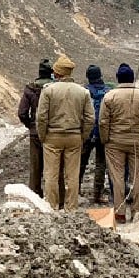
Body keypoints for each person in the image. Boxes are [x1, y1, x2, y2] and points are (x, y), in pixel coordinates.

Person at [98, 63, 139, 224]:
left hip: (115, 143)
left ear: (118, 78)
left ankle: (120, 213)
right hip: (138, 142)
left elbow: (103, 122)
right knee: (138, 177)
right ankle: (137, 211)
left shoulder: (109, 96)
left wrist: (105, 139)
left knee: (117, 178)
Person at [35, 55, 94, 211]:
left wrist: (43, 136)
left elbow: (41, 117)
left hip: (52, 137)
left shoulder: (48, 90)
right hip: (74, 136)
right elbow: (90, 118)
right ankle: (71, 207)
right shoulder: (83, 92)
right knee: (72, 175)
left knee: (51, 175)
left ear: (57, 73)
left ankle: (52, 207)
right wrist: (83, 136)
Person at [17, 58, 54, 197]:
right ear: (50, 73)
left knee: (35, 168)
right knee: (53, 166)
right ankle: (54, 197)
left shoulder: (30, 88)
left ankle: (35, 195)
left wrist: (30, 125)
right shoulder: (55, 87)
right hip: (52, 132)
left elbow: (22, 113)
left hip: (35, 132)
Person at [79, 65, 110, 204]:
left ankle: (75, 189)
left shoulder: (83, 92)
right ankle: (98, 194)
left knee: (81, 162)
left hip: (87, 131)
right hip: (103, 132)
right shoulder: (108, 92)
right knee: (100, 164)